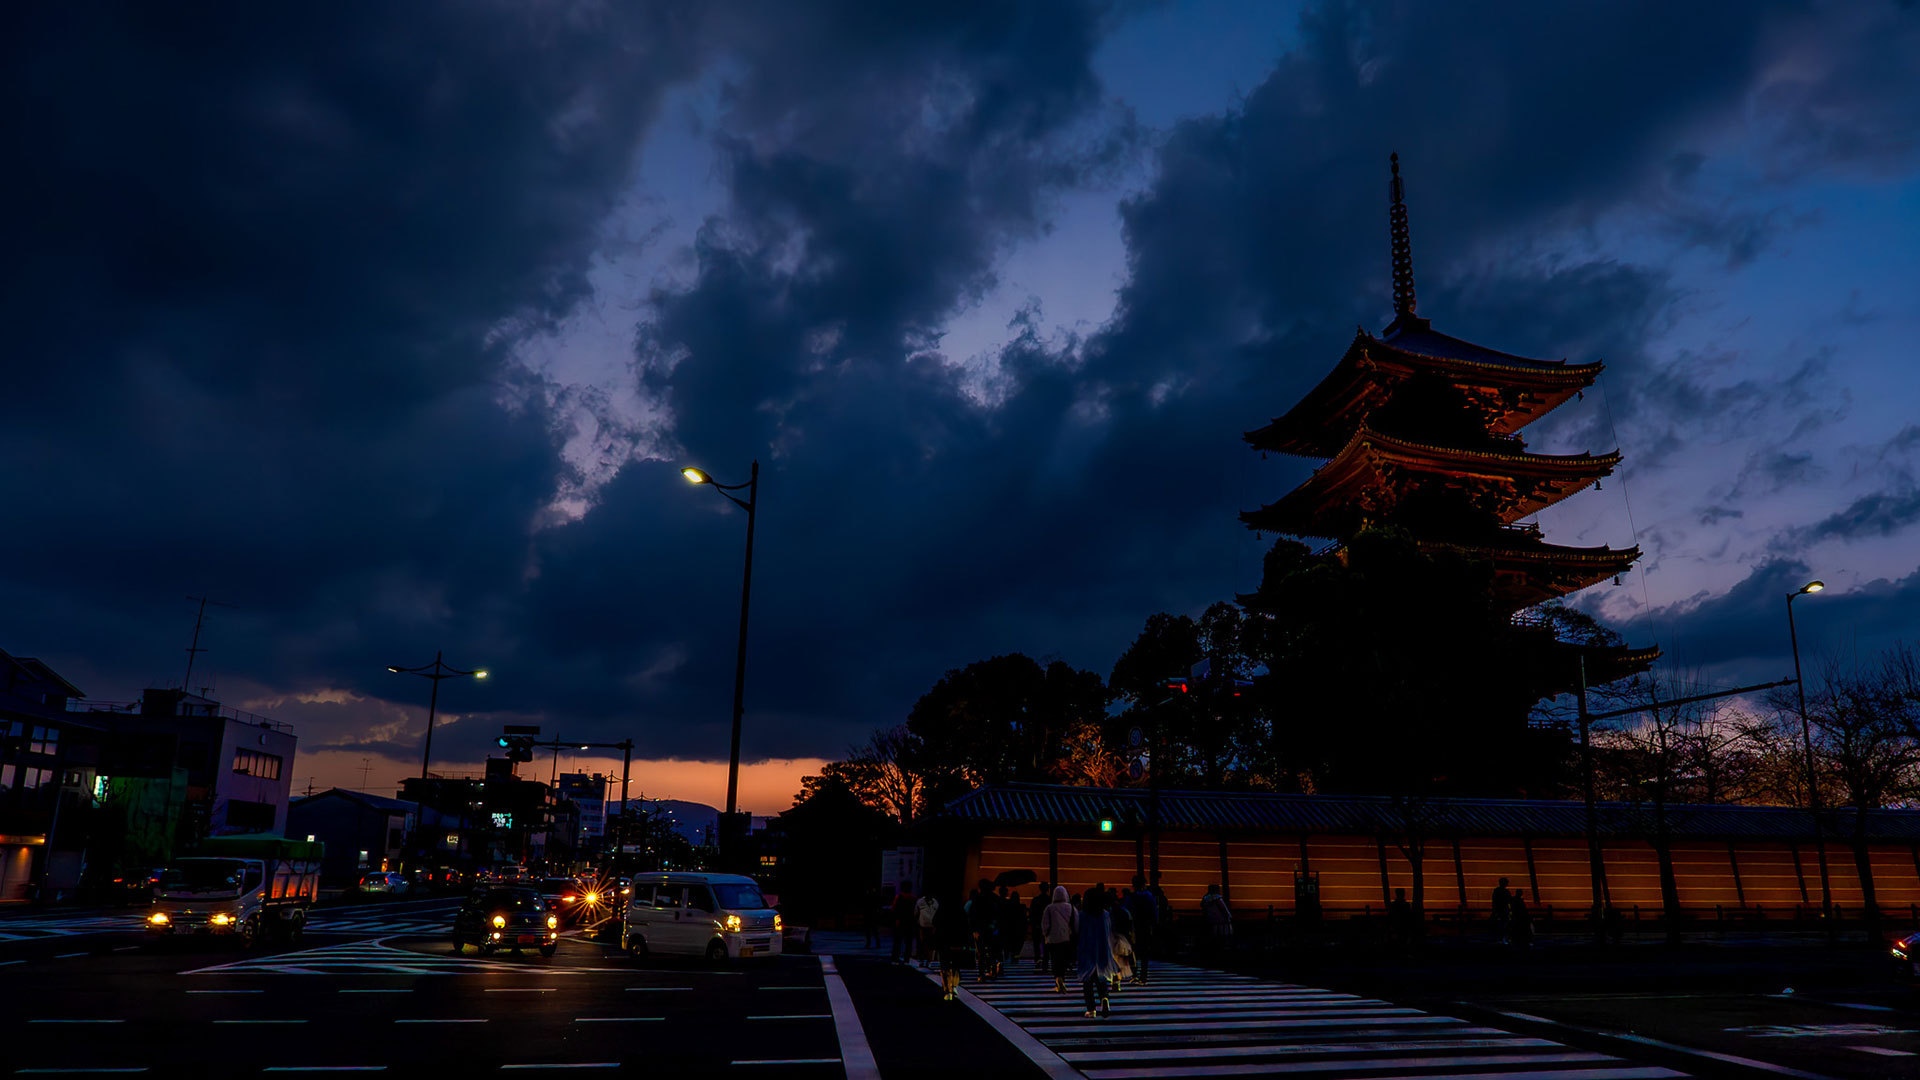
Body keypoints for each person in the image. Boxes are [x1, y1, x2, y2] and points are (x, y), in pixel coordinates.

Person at [1076, 888, 1121, 1018]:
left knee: (1087, 981)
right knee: (1101, 978)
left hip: (1086, 950)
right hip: (1103, 950)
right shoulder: (1106, 915)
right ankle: (1104, 998)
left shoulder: (1082, 915)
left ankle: (1091, 1009)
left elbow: (1077, 931)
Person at [1124, 874, 1160, 985]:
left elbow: (1126, 911)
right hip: (1145, 926)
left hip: (1134, 925)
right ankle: (1143, 976)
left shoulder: (1131, 897)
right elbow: (1154, 913)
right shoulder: (1149, 896)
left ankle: (1135, 973)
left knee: (1132, 951)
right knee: (1144, 952)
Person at [934, 890, 970, 1001]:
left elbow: (935, 921)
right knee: (956, 965)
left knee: (945, 965)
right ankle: (954, 985)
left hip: (944, 940)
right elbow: (966, 926)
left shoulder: (942, 909)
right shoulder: (961, 911)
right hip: (957, 941)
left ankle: (947, 989)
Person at [1041, 885, 1078, 993]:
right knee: (1063, 960)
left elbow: (1045, 924)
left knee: (1055, 960)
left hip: (1052, 939)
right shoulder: (1071, 908)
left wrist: (1046, 934)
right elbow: (1076, 924)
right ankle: (1062, 978)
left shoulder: (1049, 908)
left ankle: (1057, 978)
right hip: (1067, 938)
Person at [968, 882, 997, 982]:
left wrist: (974, 930)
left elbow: (972, 915)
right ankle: (992, 971)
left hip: (980, 929)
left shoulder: (977, 899)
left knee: (981, 953)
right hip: (990, 929)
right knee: (991, 951)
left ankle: (982, 973)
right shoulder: (993, 898)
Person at [1201, 882, 1233, 960]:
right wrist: (1228, 916)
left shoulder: (1206, 899)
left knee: (1214, 936)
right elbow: (1223, 909)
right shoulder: (1218, 898)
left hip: (1212, 920)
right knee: (1222, 936)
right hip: (1222, 920)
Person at [999, 886, 1027, 974]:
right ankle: (1015, 957)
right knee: (1016, 946)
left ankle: (1009, 956)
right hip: (1018, 929)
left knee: (1008, 944)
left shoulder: (1008, 905)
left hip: (1009, 928)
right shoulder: (1022, 907)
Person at [890, 881, 917, 963]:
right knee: (908, 943)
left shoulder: (898, 897)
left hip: (900, 922)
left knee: (897, 942)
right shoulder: (913, 899)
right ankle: (906, 959)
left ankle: (895, 958)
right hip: (910, 922)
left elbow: (893, 909)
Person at [1029, 883, 1051, 971]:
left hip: (1037, 925)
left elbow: (1032, 913)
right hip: (1047, 925)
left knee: (1037, 944)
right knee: (1046, 945)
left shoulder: (1035, 900)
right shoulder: (1050, 900)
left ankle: (1038, 959)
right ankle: (1045, 961)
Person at [915, 891, 940, 964]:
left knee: (930, 943)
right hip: (922, 926)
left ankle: (929, 959)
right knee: (923, 943)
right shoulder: (920, 902)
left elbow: (937, 912)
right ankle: (922, 959)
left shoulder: (935, 902)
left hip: (932, 926)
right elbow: (916, 912)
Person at [1387, 887, 1413, 954]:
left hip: (1397, 927)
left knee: (1397, 944)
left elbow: (1390, 916)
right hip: (1404, 927)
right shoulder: (1406, 905)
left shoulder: (1393, 905)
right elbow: (1409, 916)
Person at [1491, 877, 1512, 945]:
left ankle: (1500, 938)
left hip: (1499, 910)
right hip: (1504, 910)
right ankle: (1503, 938)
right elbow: (1509, 901)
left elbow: (1494, 901)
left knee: (1501, 925)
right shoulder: (1506, 892)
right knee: (1504, 925)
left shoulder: (1496, 891)